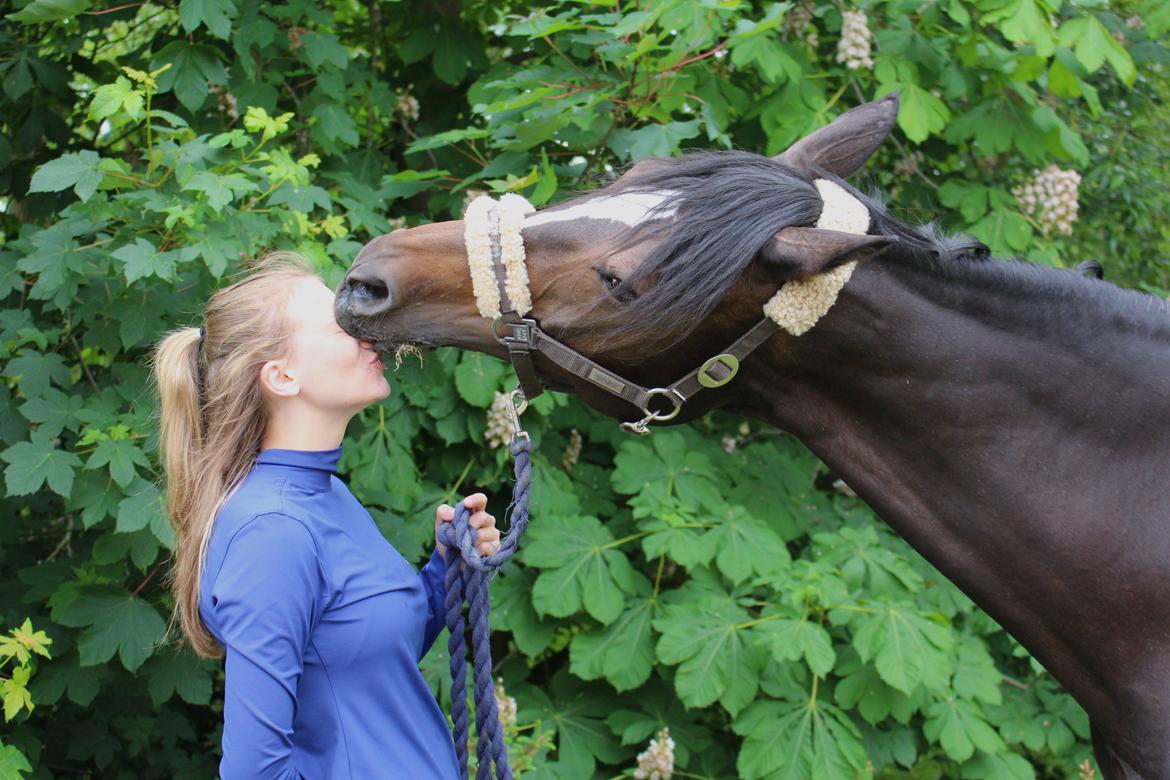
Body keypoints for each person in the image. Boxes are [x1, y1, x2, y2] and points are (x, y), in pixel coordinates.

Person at [148, 251, 500, 778]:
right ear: (282, 377)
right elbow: (253, 772)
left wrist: (447, 566)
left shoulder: (325, 496)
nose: (368, 333)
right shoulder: (273, 532)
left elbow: (366, 659)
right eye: (341, 324)